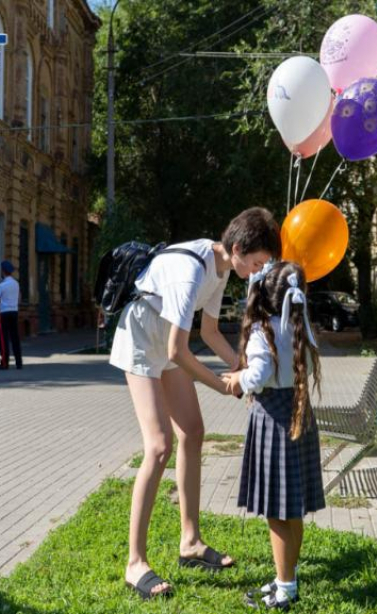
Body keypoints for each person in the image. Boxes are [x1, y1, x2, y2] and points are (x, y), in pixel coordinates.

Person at [109, 207, 281, 600]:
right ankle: (135, 563)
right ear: (237, 248)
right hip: (141, 336)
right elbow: (179, 350)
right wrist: (226, 386)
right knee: (158, 445)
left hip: (167, 337)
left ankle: (190, 542)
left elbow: (208, 330)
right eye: (255, 262)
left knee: (194, 432)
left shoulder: (220, 269)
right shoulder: (192, 271)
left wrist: (243, 367)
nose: (257, 271)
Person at [221, 261, 325, 610]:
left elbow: (259, 373)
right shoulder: (299, 324)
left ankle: (285, 588)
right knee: (291, 509)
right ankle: (287, 575)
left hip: (275, 421)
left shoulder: (262, 330)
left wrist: (238, 381)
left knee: (277, 513)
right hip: (299, 415)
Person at [0, 260, 23, 370]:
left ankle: (5, 363)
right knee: (15, 337)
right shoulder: (16, 283)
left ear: (3, 271)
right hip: (14, 312)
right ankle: (18, 362)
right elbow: (19, 297)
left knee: (3, 338)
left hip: (4, 313)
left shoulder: (2, 285)